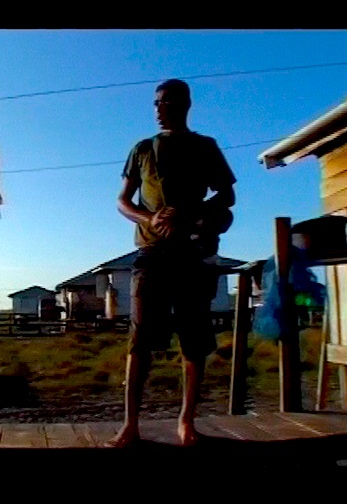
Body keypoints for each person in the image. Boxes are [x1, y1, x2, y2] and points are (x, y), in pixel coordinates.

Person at [106, 78, 236, 448]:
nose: (160, 108)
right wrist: (149, 218)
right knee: (140, 339)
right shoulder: (142, 148)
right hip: (151, 253)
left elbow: (227, 195)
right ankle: (130, 425)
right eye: (157, 102)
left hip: (192, 254)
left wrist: (188, 214)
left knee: (194, 339)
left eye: (168, 102)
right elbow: (122, 201)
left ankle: (186, 422)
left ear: (186, 104)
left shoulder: (205, 146)